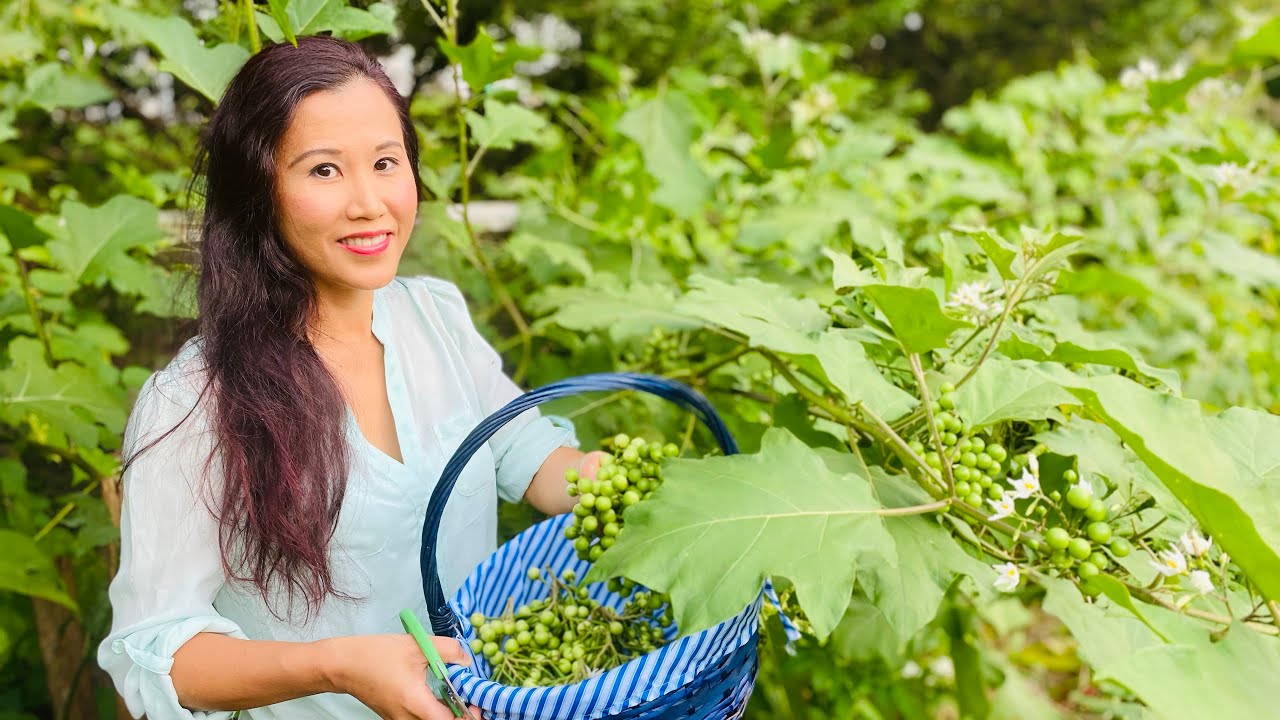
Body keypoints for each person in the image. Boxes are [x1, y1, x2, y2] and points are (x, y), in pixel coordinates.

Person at [98, 36, 605, 720]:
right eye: (325, 171)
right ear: (258, 193)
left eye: (386, 163)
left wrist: (606, 482)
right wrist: (338, 665)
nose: (370, 203)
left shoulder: (435, 317)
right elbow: (161, 653)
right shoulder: (196, 402)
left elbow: (522, 450)